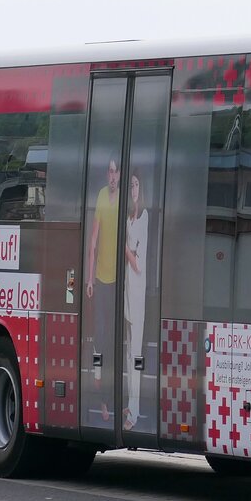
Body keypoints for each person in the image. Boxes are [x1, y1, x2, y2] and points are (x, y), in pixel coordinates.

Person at [86, 156, 120, 424]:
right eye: (108, 171)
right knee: (99, 333)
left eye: (114, 171)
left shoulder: (125, 200)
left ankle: (108, 398)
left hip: (118, 281)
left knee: (111, 338)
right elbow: (93, 241)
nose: (111, 176)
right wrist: (89, 279)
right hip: (101, 277)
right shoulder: (100, 195)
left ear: (119, 174)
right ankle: (98, 382)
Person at [122, 171, 149, 431]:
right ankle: (131, 403)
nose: (133, 189)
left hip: (137, 291)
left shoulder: (143, 217)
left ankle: (136, 410)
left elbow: (139, 264)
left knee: (136, 352)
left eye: (136, 185)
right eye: (130, 185)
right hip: (126, 290)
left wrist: (124, 248)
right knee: (128, 350)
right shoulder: (128, 217)